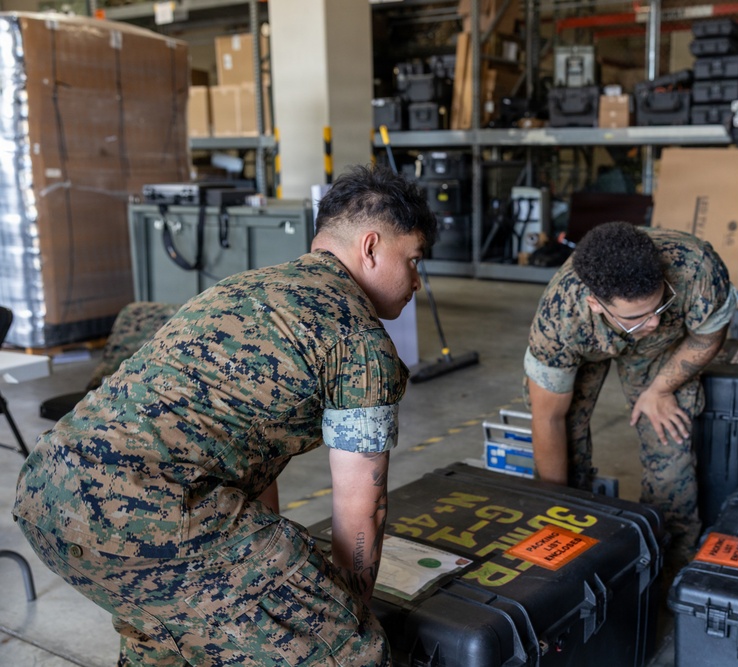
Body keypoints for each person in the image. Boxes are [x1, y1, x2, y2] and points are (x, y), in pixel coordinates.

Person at [13, 165, 436, 666]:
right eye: (412, 260)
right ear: (370, 247)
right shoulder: (358, 340)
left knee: (174, 644)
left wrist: (258, 579)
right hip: (146, 511)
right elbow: (363, 509)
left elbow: (248, 461)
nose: (416, 281)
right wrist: (346, 619)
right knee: (351, 652)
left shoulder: (241, 291)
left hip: (46, 496)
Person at [523, 221, 735, 570]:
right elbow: (548, 418)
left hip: (664, 350)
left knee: (669, 437)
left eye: (658, 306)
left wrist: (660, 388)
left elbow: (707, 337)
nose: (651, 322)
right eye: (638, 318)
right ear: (595, 303)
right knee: (566, 442)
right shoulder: (560, 318)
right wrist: (557, 512)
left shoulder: (696, 268)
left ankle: (671, 561)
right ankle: (571, 545)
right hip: (586, 344)